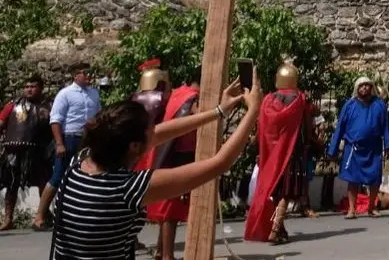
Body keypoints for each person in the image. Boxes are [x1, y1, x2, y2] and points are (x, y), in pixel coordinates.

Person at [50, 78, 257, 260]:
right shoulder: (127, 188)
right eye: (150, 126)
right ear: (134, 146)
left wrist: (218, 112)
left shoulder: (81, 161)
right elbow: (219, 164)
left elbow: (157, 134)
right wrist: (253, 111)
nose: (155, 129)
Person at [245, 61, 319, 245]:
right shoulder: (300, 99)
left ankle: (280, 230)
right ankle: (276, 227)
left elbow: (262, 126)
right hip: (292, 150)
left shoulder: (269, 100)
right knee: (286, 191)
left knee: (276, 191)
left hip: (271, 151)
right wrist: (311, 141)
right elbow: (306, 126)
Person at [137, 79, 200, 260]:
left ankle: (160, 250)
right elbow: (199, 114)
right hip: (178, 156)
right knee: (171, 211)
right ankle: (167, 255)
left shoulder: (176, 94)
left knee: (166, 208)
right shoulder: (191, 98)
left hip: (165, 153)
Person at [38, 63, 102, 229]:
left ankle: (80, 216)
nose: (89, 76)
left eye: (91, 73)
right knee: (58, 175)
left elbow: (98, 114)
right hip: (69, 137)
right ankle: (39, 215)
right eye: (86, 73)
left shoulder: (94, 93)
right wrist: (59, 143)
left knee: (87, 174)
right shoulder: (65, 94)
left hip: (87, 138)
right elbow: (55, 119)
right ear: (76, 75)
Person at [328, 76, 389, 219]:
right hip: (354, 148)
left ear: (371, 88)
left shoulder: (379, 105)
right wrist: (332, 149)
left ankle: (371, 207)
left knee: (375, 179)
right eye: (361, 85)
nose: (364, 88)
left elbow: (386, 126)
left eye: (367, 85)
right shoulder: (349, 105)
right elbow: (340, 128)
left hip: (373, 148)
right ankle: (352, 209)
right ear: (357, 88)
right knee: (353, 180)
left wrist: (388, 145)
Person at [0, 76, 51, 231]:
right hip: (14, 152)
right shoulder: (13, 105)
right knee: (11, 185)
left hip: (39, 151)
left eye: (33, 86)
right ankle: (8, 219)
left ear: (40, 88)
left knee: (44, 183)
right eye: (27, 86)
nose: (29, 89)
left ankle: (42, 216)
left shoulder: (48, 106)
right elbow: (1, 122)